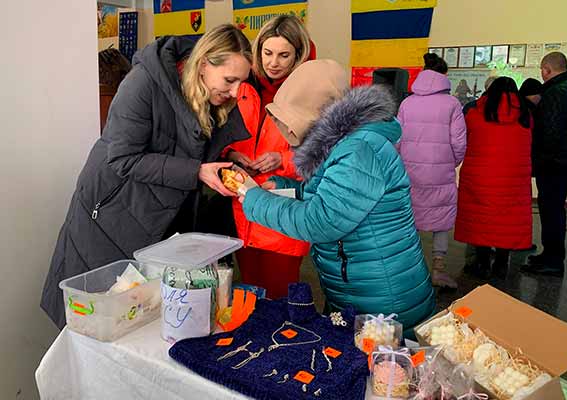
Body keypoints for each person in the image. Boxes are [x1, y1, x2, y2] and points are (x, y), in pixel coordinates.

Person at [41, 24, 253, 328]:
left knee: (139, 320)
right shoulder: (143, 83)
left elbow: (185, 145)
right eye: (230, 80)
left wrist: (226, 157)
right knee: (97, 322)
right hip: (109, 217)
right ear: (204, 63)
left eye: (241, 82)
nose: (235, 91)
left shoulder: (207, 91)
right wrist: (197, 172)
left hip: (156, 221)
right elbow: (123, 158)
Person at [240, 60, 436, 338]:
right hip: (358, 288)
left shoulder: (359, 150)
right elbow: (333, 192)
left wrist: (255, 199)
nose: (286, 130)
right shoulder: (342, 143)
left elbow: (321, 220)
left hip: (383, 297)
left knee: (386, 375)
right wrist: (286, 187)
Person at [224, 15, 313, 299]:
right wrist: (231, 153)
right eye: (267, 53)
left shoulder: (311, 95)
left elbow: (323, 159)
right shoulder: (242, 88)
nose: (273, 62)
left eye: (284, 55)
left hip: (283, 212)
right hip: (243, 207)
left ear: (299, 55)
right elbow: (222, 136)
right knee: (249, 293)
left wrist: (282, 160)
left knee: (280, 295)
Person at [397, 53, 466, 289]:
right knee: (442, 220)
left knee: (409, 219)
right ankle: (438, 271)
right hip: (441, 171)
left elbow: (397, 139)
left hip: (410, 171)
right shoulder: (452, 104)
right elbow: (459, 142)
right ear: (444, 76)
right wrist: (451, 162)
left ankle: (410, 272)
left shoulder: (407, 103)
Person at [455, 77, 533, 278]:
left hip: (480, 176)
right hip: (513, 179)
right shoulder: (526, 114)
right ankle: (501, 263)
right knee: (508, 221)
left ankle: (481, 264)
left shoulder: (474, 112)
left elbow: (464, 139)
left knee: (480, 220)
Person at [522, 52, 567, 277]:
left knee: (550, 208)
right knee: (554, 206)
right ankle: (550, 253)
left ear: (546, 70)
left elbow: (548, 133)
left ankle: (553, 260)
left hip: (556, 158)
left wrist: (537, 162)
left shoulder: (553, 92)